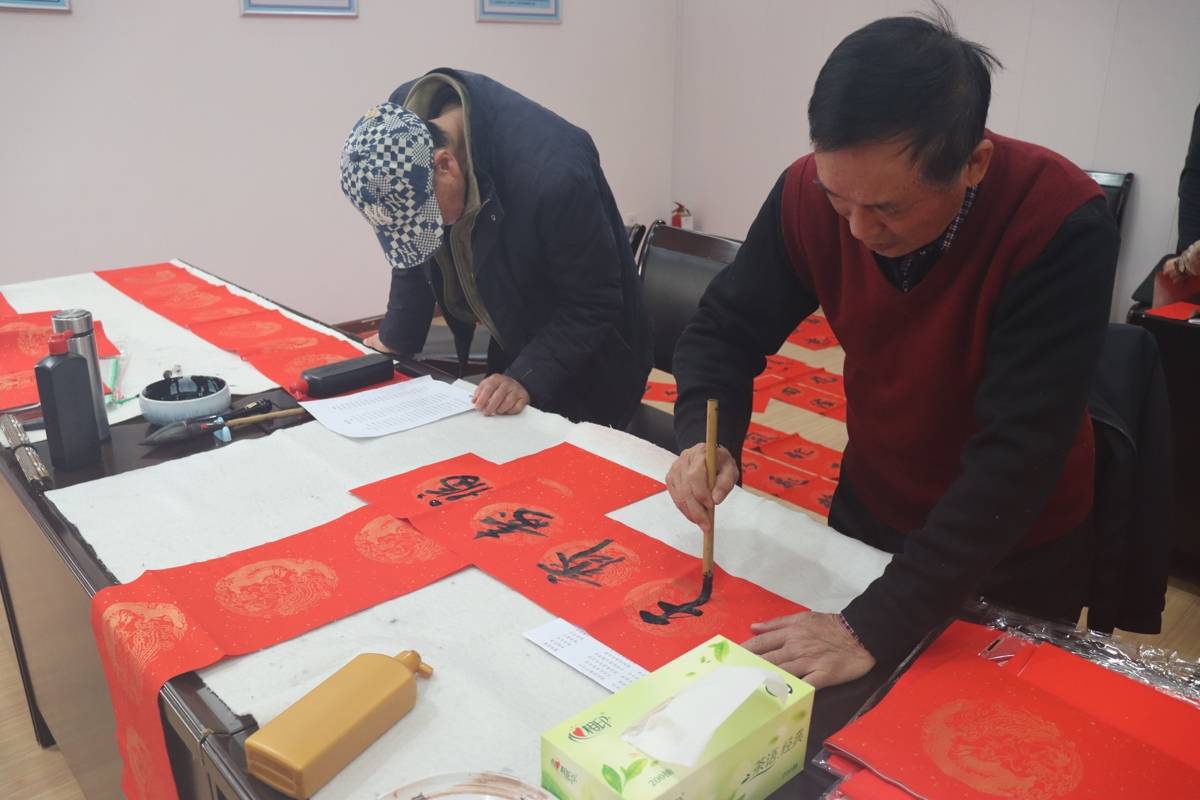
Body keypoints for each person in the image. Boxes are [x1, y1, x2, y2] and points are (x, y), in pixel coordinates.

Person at [667, 11, 1120, 689]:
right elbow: (724, 330)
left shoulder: (1056, 220)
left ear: (973, 164)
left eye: (887, 210)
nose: (856, 229)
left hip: (1013, 540)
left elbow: (1019, 455)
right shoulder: (807, 194)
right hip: (875, 496)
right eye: (838, 199)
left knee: (973, 719)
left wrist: (875, 625)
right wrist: (708, 438)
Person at [340, 69, 651, 427]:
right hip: (513, 323)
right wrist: (396, 340)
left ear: (445, 165)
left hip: (594, 357)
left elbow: (594, 301)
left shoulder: (555, 176)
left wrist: (526, 376)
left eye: (429, 220)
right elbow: (415, 251)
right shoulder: (400, 128)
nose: (432, 232)